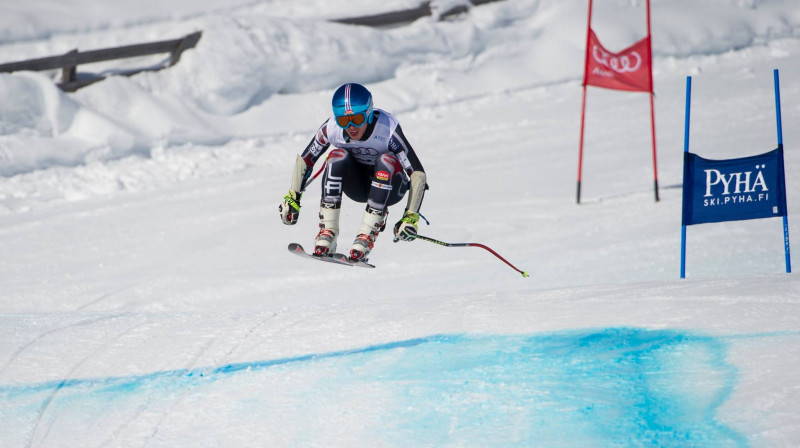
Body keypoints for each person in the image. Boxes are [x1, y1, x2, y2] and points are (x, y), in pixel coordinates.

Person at [279, 83, 427, 262]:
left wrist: (410, 217)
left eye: (357, 119)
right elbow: (306, 160)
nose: (351, 127)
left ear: (369, 113)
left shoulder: (387, 129)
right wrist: (293, 197)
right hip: (358, 187)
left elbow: (417, 173)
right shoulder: (331, 128)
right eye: (343, 120)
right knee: (336, 155)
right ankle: (328, 232)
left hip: (392, 190)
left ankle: (366, 236)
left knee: (385, 160)